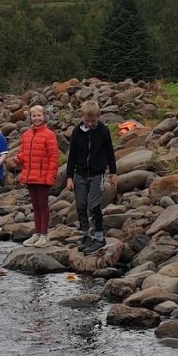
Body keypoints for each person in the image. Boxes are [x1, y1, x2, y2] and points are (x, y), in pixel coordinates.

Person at [65, 100, 118, 254]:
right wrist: (69, 176)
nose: (89, 124)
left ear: (98, 117)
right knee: (80, 205)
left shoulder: (103, 131)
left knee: (94, 205)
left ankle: (100, 237)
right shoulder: (76, 132)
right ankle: (85, 235)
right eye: (86, 121)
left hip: (97, 174)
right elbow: (72, 155)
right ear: (82, 117)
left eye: (92, 121)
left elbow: (110, 153)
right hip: (79, 174)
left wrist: (113, 173)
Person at [13, 104, 59, 247]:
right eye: (34, 115)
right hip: (30, 174)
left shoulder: (49, 134)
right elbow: (24, 152)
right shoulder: (26, 134)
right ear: (30, 118)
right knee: (35, 205)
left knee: (43, 205)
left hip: (43, 176)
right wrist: (18, 158)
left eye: (39, 115)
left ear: (44, 117)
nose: (37, 118)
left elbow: (54, 157)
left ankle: (44, 235)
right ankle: (37, 233)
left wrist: (50, 176)